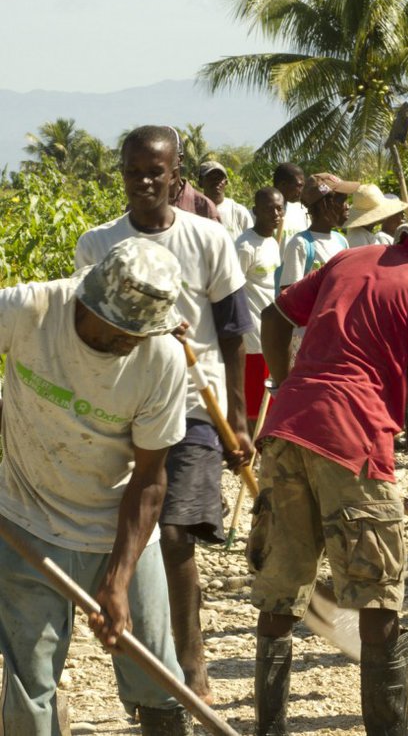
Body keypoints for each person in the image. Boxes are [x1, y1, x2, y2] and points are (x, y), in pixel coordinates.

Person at [249, 190, 408, 735]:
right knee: (378, 592)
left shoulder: (349, 258)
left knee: (281, 593)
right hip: (354, 439)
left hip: (287, 429)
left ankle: (268, 730)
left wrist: (283, 383)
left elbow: (274, 319)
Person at [75, 125, 254, 702]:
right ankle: (145, 669)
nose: (145, 181)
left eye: (157, 172)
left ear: (177, 176)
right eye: (134, 171)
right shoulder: (98, 244)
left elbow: (232, 331)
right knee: (131, 534)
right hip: (122, 407)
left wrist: (241, 416)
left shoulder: (210, 239)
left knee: (175, 534)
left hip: (196, 403)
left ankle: (191, 663)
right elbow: (85, 329)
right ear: (121, 174)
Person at [0, 240, 192, 735]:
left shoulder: (162, 359)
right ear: (87, 302)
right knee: (30, 684)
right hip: (26, 518)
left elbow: (150, 481)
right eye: (123, 331)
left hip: (118, 526)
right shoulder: (30, 310)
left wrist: (119, 578)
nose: (134, 341)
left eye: (144, 332)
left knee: (157, 678)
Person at [234, 187, 285, 430]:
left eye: (279, 208)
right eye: (268, 209)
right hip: (252, 332)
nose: (275, 214)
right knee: (254, 397)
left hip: (269, 328)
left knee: (271, 392)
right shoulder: (245, 246)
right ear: (255, 211)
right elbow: (233, 291)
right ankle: (250, 447)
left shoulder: (273, 243)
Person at [278, 173, 356, 290]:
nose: (347, 206)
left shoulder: (341, 241)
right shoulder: (300, 244)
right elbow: (289, 296)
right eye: (342, 201)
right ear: (322, 205)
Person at [198, 161, 253, 238]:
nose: (216, 181)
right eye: (210, 177)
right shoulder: (193, 211)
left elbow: (251, 240)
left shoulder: (238, 212)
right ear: (200, 182)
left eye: (219, 178)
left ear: (226, 182)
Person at [273, 162, 309, 239]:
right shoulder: (259, 215)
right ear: (283, 185)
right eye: (299, 186)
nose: (301, 191)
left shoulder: (302, 211)